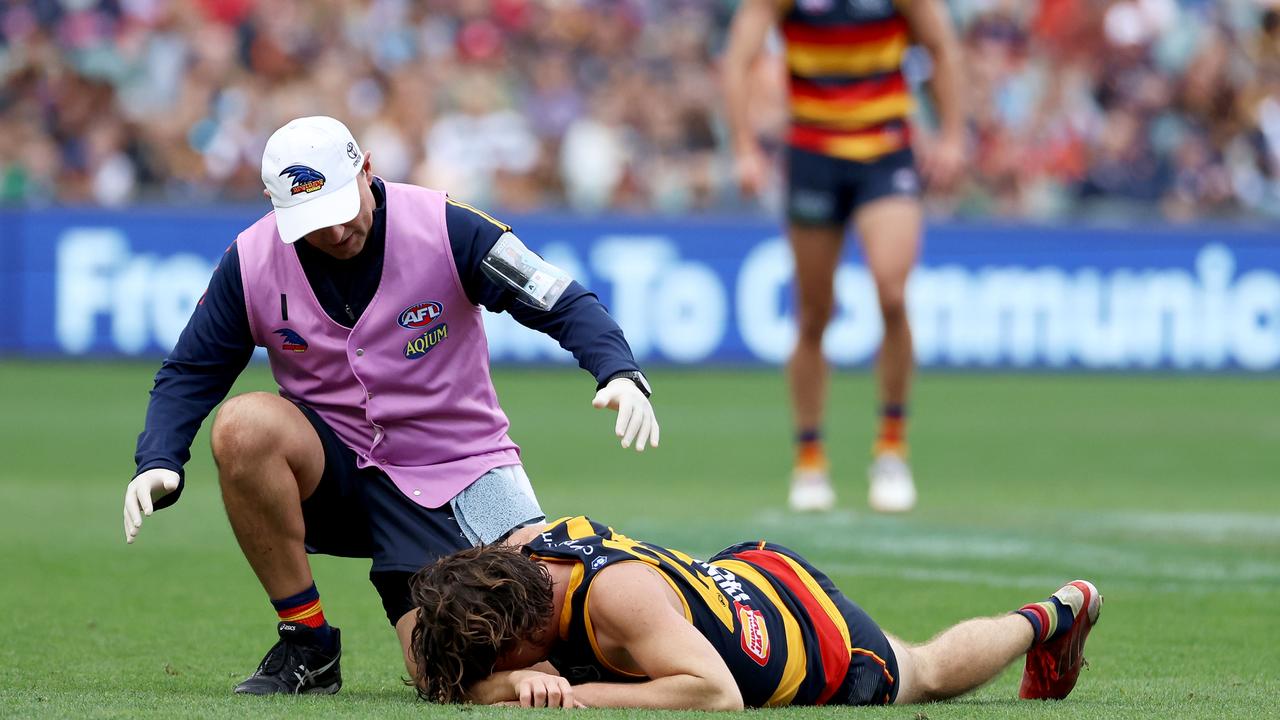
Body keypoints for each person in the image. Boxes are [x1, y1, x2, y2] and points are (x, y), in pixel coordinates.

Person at [120, 116, 660, 695]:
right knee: (243, 425)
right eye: (312, 223)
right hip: (338, 478)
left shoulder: (449, 227)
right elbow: (190, 370)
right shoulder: (251, 261)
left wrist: (619, 371)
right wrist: (159, 459)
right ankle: (307, 642)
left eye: (339, 207)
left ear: (367, 169)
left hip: (464, 474)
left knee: (454, 669)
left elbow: (560, 299)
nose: (332, 233)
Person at [407, 516, 1101, 709]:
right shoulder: (525, 548)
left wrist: (569, 697)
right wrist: (502, 683)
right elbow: (451, 676)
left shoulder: (615, 602)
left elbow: (717, 695)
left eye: (501, 659)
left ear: (528, 633)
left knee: (927, 669)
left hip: (813, 639)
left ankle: (1053, 614)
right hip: (743, 577)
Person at [722, 0, 967, 513]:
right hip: (813, 157)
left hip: (886, 153)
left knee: (893, 293)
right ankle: (810, 457)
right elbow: (739, 57)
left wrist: (952, 136)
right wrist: (744, 146)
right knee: (813, 313)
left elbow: (942, 47)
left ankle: (892, 449)